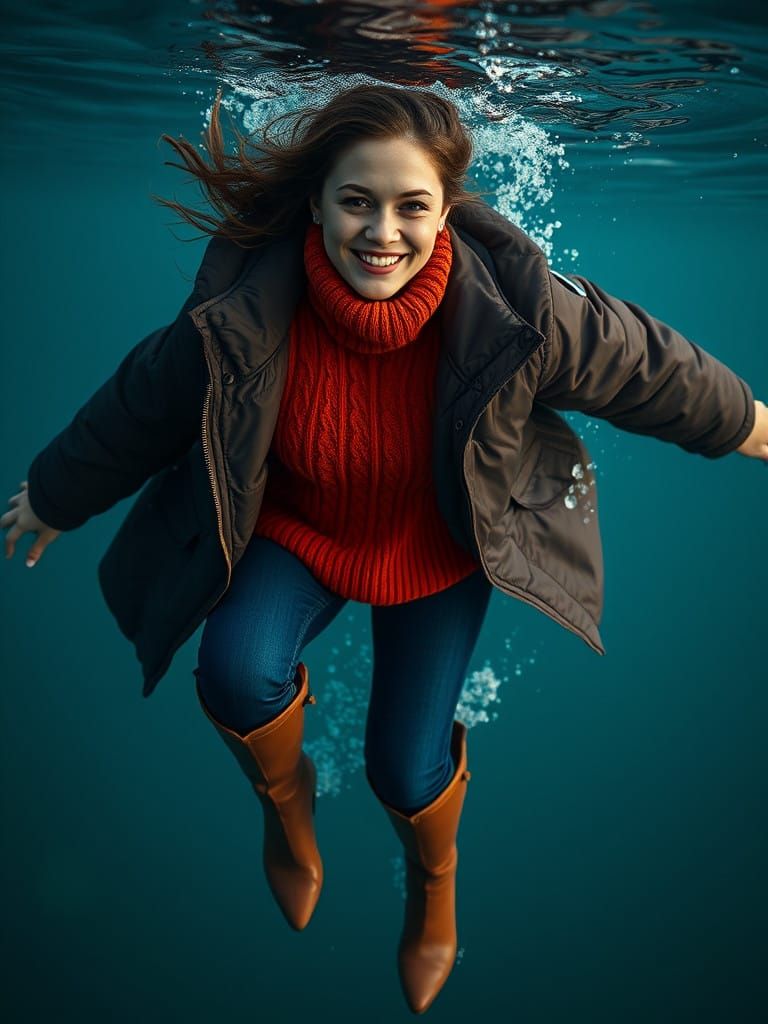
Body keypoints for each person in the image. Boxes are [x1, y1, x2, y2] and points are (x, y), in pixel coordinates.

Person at [3, 84, 766, 1016]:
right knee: (234, 674)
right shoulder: (243, 311)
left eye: (412, 206)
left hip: (437, 551)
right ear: (317, 200)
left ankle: (434, 883)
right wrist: (53, 493)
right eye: (357, 201)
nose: (382, 233)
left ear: (450, 210)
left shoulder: (519, 312)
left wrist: (754, 425)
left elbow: (648, 366)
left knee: (403, 770)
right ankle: (288, 813)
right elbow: (139, 405)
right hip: (303, 530)